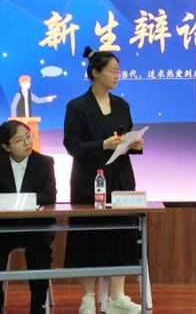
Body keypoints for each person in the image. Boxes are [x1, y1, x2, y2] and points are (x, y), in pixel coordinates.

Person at [63, 46, 144, 314]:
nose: (117, 75)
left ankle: (116, 298)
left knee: (121, 235)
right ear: (95, 73)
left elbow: (125, 139)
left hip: (120, 179)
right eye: (112, 71)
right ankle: (88, 297)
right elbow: (72, 145)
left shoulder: (122, 105)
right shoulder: (77, 106)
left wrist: (134, 144)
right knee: (89, 236)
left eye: (118, 71)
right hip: (90, 180)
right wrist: (102, 145)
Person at [0, 120, 56, 314]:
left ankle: (38, 307)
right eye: (19, 140)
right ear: (6, 147)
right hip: (3, 227)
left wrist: (18, 200)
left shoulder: (45, 162)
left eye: (28, 137)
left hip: (35, 226)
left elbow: (49, 196)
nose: (27, 143)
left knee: (39, 253)